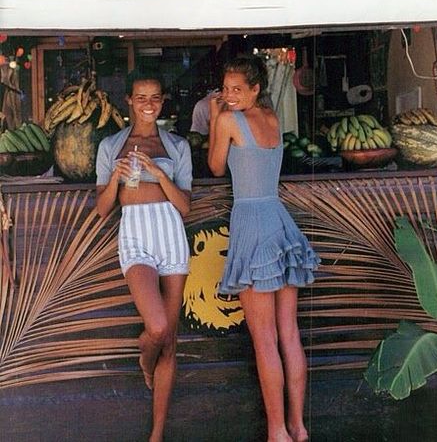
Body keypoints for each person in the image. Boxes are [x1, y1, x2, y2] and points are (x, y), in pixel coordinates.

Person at [208, 56, 319, 442]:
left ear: (256, 89)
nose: (229, 95)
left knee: (265, 338)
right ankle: (298, 427)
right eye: (225, 89)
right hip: (279, 220)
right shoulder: (272, 119)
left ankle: (277, 432)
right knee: (288, 334)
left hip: (251, 224)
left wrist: (213, 115)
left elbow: (216, 167)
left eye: (238, 89)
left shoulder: (226, 120)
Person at [95, 70, 192, 442]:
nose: (148, 104)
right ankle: (143, 351)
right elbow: (102, 209)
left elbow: (184, 206)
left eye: (154, 97)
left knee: (170, 340)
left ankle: (156, 433)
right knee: (156, 327)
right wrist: (118, 180)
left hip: (171, 233)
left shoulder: (177, 146)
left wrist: (158, 174)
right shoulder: (111, 146)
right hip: (135, 233)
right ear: (130, 102)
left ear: (162, 101)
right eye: (141, 97)